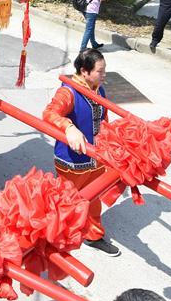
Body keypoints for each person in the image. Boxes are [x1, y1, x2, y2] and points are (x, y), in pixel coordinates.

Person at [42, 49, 118, 256]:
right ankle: (52, 238)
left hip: (96, 156)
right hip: (72, 161)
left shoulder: (98, 89)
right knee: (65, 200)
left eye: (105, 71)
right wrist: (69, 127)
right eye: (100, 71)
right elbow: (49, 113)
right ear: (84, 71)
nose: (104, 75)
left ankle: (93, 236)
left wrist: (111, 141)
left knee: (93, 199)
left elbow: (104, 119)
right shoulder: (68, 92)